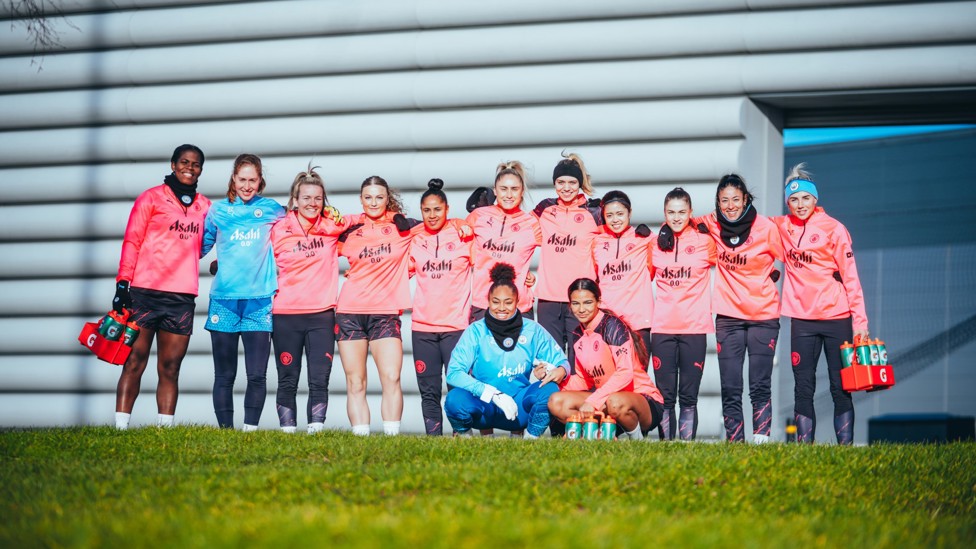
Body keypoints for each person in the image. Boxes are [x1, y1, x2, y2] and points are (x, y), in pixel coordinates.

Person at [113, 144, 211, 430]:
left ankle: (164, 430)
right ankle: (120, 428)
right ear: (173, 164)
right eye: (184, 162)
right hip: (145, 292)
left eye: (195, 165)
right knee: (134, 361)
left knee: (170, 368)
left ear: (200, 170)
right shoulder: (151, 198)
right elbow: (132, 241)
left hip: (181, 297)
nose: (189, 168)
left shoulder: (205, 206)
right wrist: (123, 285)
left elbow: (204, 243)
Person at [772, 163, 868, 445]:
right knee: (803, 388)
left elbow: (852, 279)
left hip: (836, 319)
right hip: (801, 321)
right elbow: (749, 224)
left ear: (815, 199)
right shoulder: (782, 227)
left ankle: (845, 450)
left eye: (805, 198)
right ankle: (805, 450)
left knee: (841, 387)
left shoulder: (835, 230)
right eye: (793, 199)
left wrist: (860, 322)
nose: (799, 204)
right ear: (787, 203)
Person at [697, 174, 785, 443]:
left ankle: (761, 443)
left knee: (759, 385)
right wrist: (665, 229)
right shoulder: (712, 223)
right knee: (731, 386)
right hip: (728, 318)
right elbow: (685, 220)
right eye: (725, 201)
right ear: (718, 203)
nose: (731, 206)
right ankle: (735, 443)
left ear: (746, 199)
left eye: (736, 199)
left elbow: (790, 257)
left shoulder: (766, 228)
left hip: (763, 317)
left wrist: (774, 274)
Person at [201, 153, 286, 431]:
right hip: (224, 301)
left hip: (259, 302)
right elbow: (198, 247)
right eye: (242, 179)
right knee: (224, 375)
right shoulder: (218, 211)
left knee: (257, 375)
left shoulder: (273, 209)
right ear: (233, 179)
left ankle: (249, 431)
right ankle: (226, 431)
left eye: (253, 180)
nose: (247, 186)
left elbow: (301, 225)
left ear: (260, 181)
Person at [335, 176, 422, 437]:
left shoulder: (403, 226)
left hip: (385, 312)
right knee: (356, 381)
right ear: (361, 200)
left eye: (379, 197)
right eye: (368, 197)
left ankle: (391, 438)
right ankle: (361, 439)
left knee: (391, 377)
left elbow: (437, 227)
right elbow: (315, 248)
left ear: (388, 199)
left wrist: (462, 224)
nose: (374, 202)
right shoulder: (349, 230)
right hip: (350, 312)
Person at [444, 263, 569, 438]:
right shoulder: (475, 331)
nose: (501, 307)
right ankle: (467, 442)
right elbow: (453, 373)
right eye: (496, 302)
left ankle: (529, 443)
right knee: (454, 400)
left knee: (549, 391)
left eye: (508, 302)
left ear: (517, 302)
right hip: (485, 406)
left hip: (519, 408)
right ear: (488, 301)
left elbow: (562, 361)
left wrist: (560, 370)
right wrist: (492, 393)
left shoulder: (532, 330)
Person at [269, 166, 346, 434]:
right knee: (287, 378)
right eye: (306, 198)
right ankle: (288, 432)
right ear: (295, 199)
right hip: (285, 314)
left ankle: (316, 431)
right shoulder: (278, 228)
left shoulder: (332, 226)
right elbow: (253, 253)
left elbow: (364, 220)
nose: (312, 204)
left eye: (318, 199)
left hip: (322, 315)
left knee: (319, 379)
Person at [548, 278, 665, 440]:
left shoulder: (612, 326)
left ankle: (638, 442)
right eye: (576, 304)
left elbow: (625, 373)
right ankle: (598, 435)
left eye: (588, 302)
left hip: (641, 400)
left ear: (598, 302)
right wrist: (555, 378)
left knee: (615, 402)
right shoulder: (577, 334)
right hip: (605, 400)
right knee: (556, 401)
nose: (581, 309)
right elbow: (584, 381)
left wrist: (594, 401)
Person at [408, 179, 474, 436]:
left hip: (456, 327)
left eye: (437, 209)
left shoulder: (463, 235)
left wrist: (526, 277)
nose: (432, 215)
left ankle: (462, 435)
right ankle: (433, 439)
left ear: (447, 209)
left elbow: (488, 263)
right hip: (422, 328)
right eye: (427, 210)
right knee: (429, 390)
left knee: (458, 388)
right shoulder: (415, 239)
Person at [651, 188, 716, 440]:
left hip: (694, 329)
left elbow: (735, 258)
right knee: (666, 398)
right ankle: (668, 449)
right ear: (664, 214)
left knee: (689, 397)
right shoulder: (655, 244)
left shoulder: (705, 242)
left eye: (681, 212)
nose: (676, 217)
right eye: (671, 212)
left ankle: (686, 450)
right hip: (663, 329)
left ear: (691, 213)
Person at [532, 153, 603, 365]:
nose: (566, 187)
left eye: (572, 182)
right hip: (548, 298)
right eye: (560, 182)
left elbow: (611, 245)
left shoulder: (594, 211)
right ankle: (553, 399)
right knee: (551, 361)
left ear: (580, 184)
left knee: (579, 359)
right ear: (554, 184)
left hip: (580, 298)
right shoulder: (544, 209)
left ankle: (578, 399)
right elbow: (515, 233)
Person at [465, 161, 542, 321]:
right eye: (503, 189)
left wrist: (531, 276)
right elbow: (454, 242)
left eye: (514, 189)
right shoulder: (479, 216)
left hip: (519, 305)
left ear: (522, 192)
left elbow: (559, 251)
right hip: (484, 303)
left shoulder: (531, 223)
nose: (509, 195)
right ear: (495, 191)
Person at [591, 190, 655, 362]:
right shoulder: (596, 242)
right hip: (608, 321)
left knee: (639, 378)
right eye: (609, 215)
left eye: (620, 214)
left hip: (638, 322)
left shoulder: (645, 239)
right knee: (609, 378)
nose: (615, 220)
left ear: (630, 213)